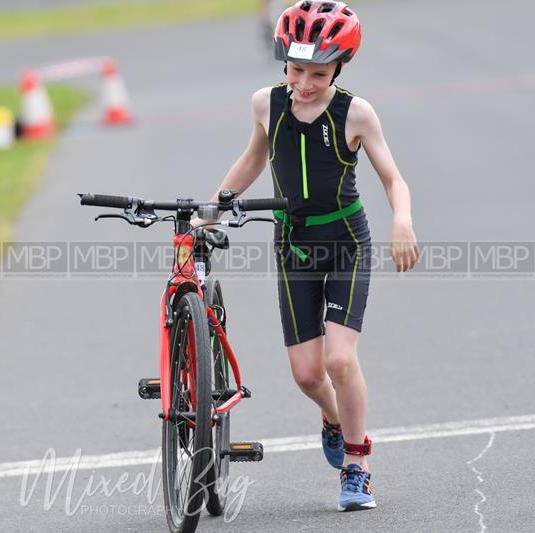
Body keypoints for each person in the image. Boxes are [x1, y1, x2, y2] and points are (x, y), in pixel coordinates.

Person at [195, 0, 419, 511]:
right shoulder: (265, 103)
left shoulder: (355, 112)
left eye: (319, 73)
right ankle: (334, 418)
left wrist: (401, 219)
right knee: (308, 375)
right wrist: (211, 209)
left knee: (340, 360)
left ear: (340, 67)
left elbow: (393, 177)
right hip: (293, 244)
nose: (305, 82)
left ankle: (357, 465)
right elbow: (254, 157)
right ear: (284, 61)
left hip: (345, 243)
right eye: (297, 70)